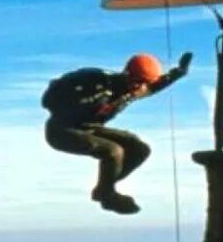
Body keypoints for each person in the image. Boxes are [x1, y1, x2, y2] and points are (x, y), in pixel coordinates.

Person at [42, 51, 193, 215]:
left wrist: (178, 73)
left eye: (144, 83)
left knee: (140, 149)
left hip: (88, 126)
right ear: (127, 75)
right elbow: (48, 100)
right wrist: (78, 101)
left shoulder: (131, 89)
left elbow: (153, 86)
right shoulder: (98, 84)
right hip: (61, 130)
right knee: (113, 152)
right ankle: (108, 196)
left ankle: (104, 188)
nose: (140, 88)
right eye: (138, 82)